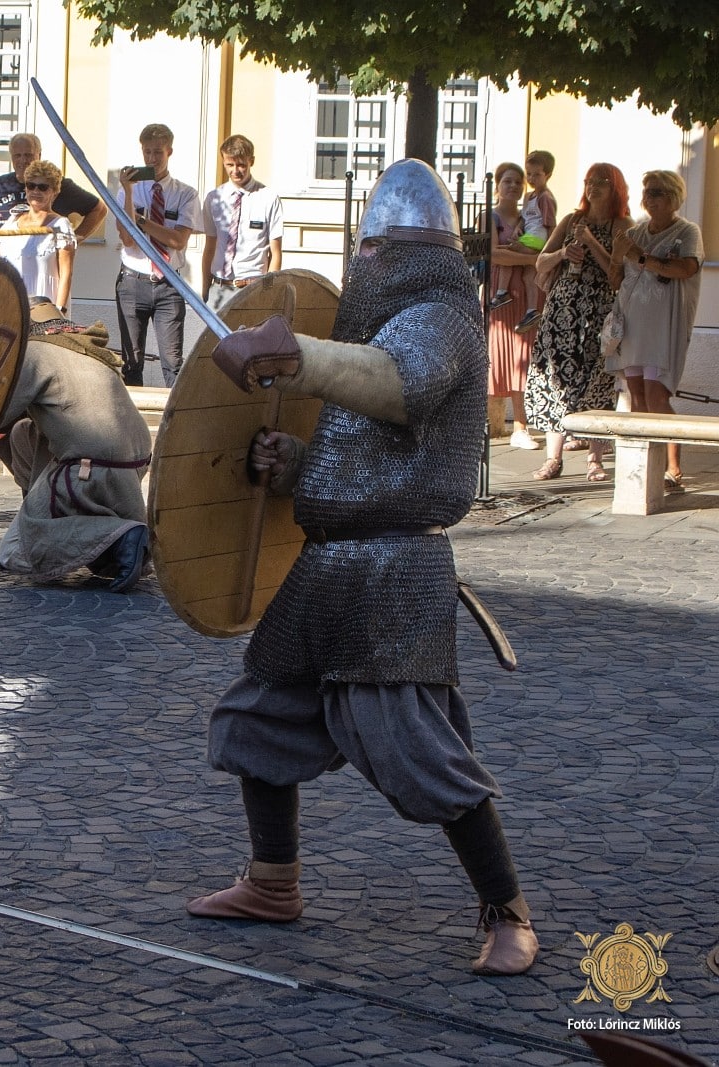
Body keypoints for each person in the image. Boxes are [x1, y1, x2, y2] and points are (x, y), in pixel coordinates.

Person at [189, 159, 538, 978]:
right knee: (257, 721)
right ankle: (273, 882)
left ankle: (508, 910)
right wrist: (297, 461)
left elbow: (402, 389)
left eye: (381, 252)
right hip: (328, 571)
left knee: (417, 751)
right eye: (371, 252)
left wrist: (292, 352)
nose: (371, 266)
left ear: (409, 254)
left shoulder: (441, 320)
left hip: (393, 573)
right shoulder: (369, 334)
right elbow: (365, 452)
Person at [0, 300, 152, 592]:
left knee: (17, 552)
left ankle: (119, 535)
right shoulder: (87, 347)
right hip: (131, 467)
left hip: (89, 469)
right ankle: (114, 537)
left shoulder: (34, 353)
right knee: (24, 433)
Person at [523, 163, 630, 482]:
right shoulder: (571, 219)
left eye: (601, 182)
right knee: (555, 380)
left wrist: (591, 243)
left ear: (615, 188)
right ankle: (553, 459)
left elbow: (617, 274)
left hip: (598, 312)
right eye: (589, 181)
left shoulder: (621, 224)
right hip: (560, 312)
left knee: (597, 381)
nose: (593, 187)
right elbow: (541, 260)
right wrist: (563, 253)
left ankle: (594, 460)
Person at [608, 170, 703, 490]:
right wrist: (617, 257)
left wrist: (641, 257)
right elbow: (615, 279)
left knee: (657, 396)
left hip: (664, 326)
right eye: (646, 191)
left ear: (675, 197)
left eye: (657, 192)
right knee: (636, 396)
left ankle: (673, 468)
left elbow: (685, 268)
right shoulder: (634, 232)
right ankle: (645, 463)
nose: (649, 198)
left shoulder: (687, 231)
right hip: (634, 324)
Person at [114, 123, 202, 387]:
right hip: (132, 281)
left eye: (158, 153)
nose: (152, 159)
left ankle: (174, 424)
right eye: (147, 152)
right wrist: (128, 192)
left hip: (169, 285)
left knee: (173, 362)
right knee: (132, 361)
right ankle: (131, 425)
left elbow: (177, 240)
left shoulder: (186, 193)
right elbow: (127, 238)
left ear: (169, 152)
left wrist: (140, 221)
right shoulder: (128, 191)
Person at [0, 133, 108, 257]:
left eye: (28, 155)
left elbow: (99, 209)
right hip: (1, 270)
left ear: (39, 155)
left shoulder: (58, 185)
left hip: (44, 269)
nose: (23, 160)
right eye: (17, 155)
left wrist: (73, 239)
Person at [482, 162, 540, 449]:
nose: (514, 186)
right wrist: (530, 260)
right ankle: (491, 424)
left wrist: (525, 257)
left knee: (522, 357)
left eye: (518, 182)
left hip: (525, 295)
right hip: (499, 293)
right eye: (508, 181)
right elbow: (494, 256)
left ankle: (520, 426)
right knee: (498, 356)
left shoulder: (529, 216)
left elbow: (541, 244)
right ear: (498, 187)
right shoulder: (489, 217)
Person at [201, 134, 283, 312]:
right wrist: (205, 288)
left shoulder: (268, 198)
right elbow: (209, 246)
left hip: (253, 289)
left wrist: (269, 292)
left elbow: (275, 253)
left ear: (251, 161)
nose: (235, 171)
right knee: (217, 340)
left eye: (241, 165)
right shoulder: (214, 198)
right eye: (230, 165)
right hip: (220, 288)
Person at [0, 160, 76, 314]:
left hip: (46, 306)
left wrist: (59, 311)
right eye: (31, 185)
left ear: (54, 192)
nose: (36, 191)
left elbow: (66, 273)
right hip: (11, 305)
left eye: (43, 187)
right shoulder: (12, 222)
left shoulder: (60, 225)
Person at [513, 151, 558, 333]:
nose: (531, 178)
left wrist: (548, 249)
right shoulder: (528, 197)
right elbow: (524, 218)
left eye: (537, 174)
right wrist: (518, 226)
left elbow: (550, 225)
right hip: (529, 234)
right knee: (528, 276)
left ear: (547, 175)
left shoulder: (545, 198)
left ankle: (501, 293)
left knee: (510, 251)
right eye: (529, 174)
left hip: (538, 238)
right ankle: (532, 310)